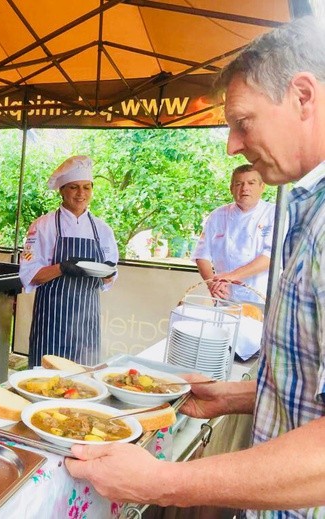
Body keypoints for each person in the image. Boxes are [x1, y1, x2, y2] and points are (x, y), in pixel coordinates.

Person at [65, 16, 325, 516]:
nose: (231, 145)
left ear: (303, 97)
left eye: (242, 122)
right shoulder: (306, 206)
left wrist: (163, 482)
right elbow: (309, 385)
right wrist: (230, 396)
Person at [19, 155, 119, 368]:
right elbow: (29, 274)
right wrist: (63, 267)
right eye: (73, 187)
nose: (81, 193)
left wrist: (108, 273)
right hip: (51, 320)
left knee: (83, 379)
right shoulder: (42, 226)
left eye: (86, 187)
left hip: (86, 321)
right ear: (62, 190)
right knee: (44, 379)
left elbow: (109, 278)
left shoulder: (102, 229)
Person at [192, 163, 275, 303]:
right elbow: (202, 255)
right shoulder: (217, 215)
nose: (245, 188)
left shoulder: (274, 213)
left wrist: (232, 276)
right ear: (231, 189)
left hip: (260, 297)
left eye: (251, 183)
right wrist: (212, 283)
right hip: (225, 296)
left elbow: (271, 256)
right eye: (239, 184)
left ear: (262, 187)